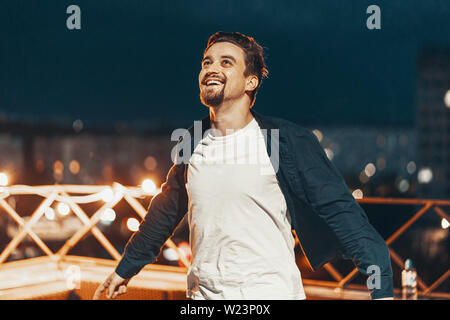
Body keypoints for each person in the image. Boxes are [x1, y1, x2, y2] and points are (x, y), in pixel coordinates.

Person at [93, 31, 394, 300]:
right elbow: (166, 211)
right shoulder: (192, 140)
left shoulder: (283, 142)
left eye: (226, 63)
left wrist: (381, 291)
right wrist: (125, 269)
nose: (211, 68)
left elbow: (344, 215)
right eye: (207, 62)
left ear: (251, 82)